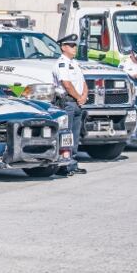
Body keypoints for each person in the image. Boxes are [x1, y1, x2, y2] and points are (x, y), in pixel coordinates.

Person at [53, 34, 88, 176]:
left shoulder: (75, 63)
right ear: (63, 47)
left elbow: (84, 83)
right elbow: (66, 84)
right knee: (65, 136)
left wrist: (84, 96)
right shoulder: (62, 63)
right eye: (72, 45)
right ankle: (63, 165)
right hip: (67, 102)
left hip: (77, 103)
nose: (75, 48)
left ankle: (72, 163)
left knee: (75, 135)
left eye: (75, 45)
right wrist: (79, 97)